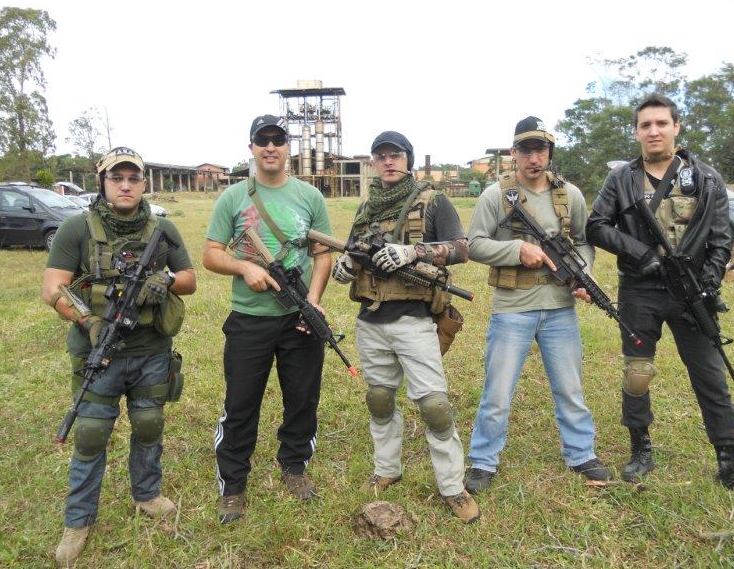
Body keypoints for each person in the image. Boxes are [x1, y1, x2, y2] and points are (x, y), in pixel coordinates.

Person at [586, 93, 734, 507]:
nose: (653, 131)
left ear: (676, 127)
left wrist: (706, 285)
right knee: (638, 373)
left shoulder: (706, 178)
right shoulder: (622, 180)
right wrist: (642, 255)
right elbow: (596, 226)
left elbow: (722, 240)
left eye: (661, 124)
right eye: (645, 125)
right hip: (640, 289)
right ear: (636, 132)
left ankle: (731, 465)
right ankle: (641, 450)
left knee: (711, 378)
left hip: (690, 293)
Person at [42, 147, 197, 566]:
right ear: (103, 183)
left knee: (149, 423)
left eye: (133, 177)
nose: (125, 185)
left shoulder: (161, 228)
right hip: (99, 349)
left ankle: (147, 495)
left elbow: (190, 279)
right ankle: (78, 521)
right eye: (117, 178)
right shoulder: (77, 228)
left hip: (151, 350)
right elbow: (54, 287)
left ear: (144, 183)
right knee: (91, 433)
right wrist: (88, 320)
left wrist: (162, 280)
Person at [331, 130, 480, 523]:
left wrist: (412, 250)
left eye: (395, 155)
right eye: (381, 156)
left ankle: (452, 487)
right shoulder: (365, 209)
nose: (388, 161)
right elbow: (351, 253)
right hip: (371, 320)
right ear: (374, 163)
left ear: (408, 160)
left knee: (434, 406)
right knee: (380, 399)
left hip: (415, 321)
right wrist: (343, 268)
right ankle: (387, 469)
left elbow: (462, 249)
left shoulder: (433, 201)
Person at [464, 116, 611, 494]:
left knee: (570, 387)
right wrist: (517, 249)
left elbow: (581, 240)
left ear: (549, 153)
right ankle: (483, 460)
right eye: (526, 150)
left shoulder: (570, 195)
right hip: (512, 308)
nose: (533, 158)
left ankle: (581, 454)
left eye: (540, 149)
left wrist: (583, 275)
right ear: (514, 153)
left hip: (560, 308)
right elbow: (474, 243)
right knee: (497, 392)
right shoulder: (496, 195)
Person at [202, 115, 333, 524]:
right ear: (252, 147)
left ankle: (293, 466)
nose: (271, 147)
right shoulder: (233, 198)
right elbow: (211, 253)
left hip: (299, 317)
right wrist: (245, 269)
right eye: (263, 140)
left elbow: (322, 253)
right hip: (249, 320)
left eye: (278, 139)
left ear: (287, 146)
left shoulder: (310, 197)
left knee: (302, 399)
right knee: (240, 405)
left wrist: (312, 300)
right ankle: (234, 486)